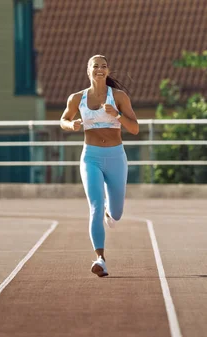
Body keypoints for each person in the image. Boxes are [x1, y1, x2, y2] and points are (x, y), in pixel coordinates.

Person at [60, 54, 139, 277]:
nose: (100, 70)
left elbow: (134, 128)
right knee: (94, 206)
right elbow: (63, 120)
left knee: (116, 213)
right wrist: (71, 124)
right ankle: (100, 259)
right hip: (90, 157)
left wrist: (118, 115)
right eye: (96, 66)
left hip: (115, 157)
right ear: (88, 71)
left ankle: (109, 212)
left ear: (108, 71)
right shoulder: (77, 98)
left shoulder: (119, 97)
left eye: (104, 67)